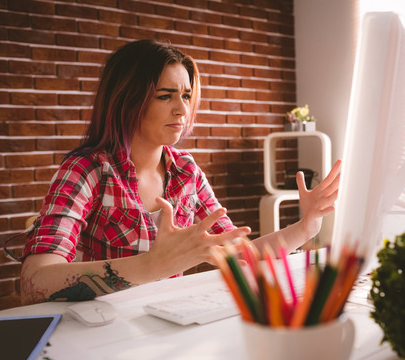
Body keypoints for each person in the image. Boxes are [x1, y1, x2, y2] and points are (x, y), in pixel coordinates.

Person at [20, 39, 341, 305]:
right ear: (127, 100)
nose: (183, 110)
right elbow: (34, 284)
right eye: (165, 96)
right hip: (106, 328)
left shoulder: (186, 170)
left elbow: (239, 253)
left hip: (168, 320)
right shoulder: (86, 169)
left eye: (186, 95)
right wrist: (152, 265)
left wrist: (305, 227)